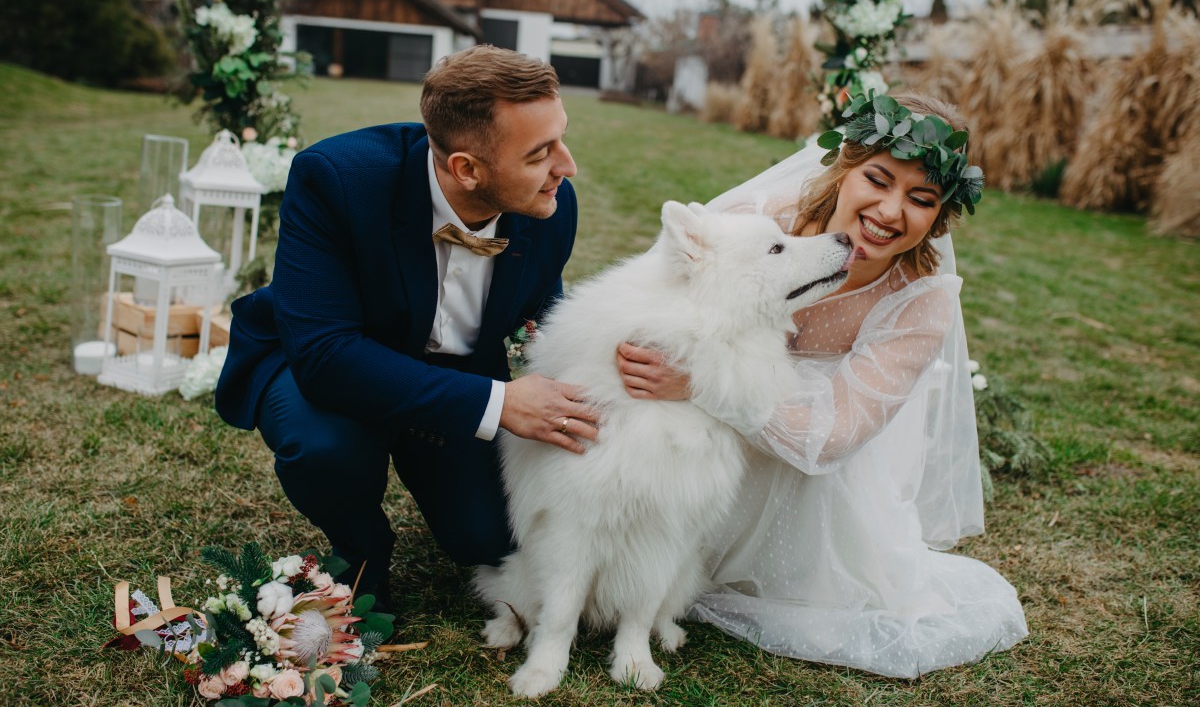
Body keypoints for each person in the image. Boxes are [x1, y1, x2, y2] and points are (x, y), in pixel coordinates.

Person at [617, 93, 1028, 678]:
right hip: (693, 432)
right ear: (844, 169)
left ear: (941, 215)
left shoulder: (920, 302)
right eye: (878, 180)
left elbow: (830, 438)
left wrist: (705, 384)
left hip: (804, 458)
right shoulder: (761, 219)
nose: (890, 210)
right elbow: (658, 309)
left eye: (921, 199)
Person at [215, 45, 600, 608]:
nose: (567, 167)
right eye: (541, 153)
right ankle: (361, 549)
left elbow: (537, 315)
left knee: (488, 539)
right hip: (328, 369)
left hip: (459, 379)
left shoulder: (551, 203)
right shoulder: (337, 178)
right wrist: (497, 404)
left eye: (561, 138)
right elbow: (326, 355)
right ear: (466, 169)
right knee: (325, 448)